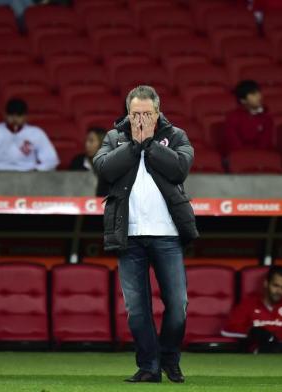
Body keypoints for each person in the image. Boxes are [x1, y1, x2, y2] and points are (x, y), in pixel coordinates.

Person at [93, 85, 198, 383]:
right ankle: (149, 366)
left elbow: (180, 169)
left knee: (178, 306)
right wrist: (133, 145)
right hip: (129, 235)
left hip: (168, 235)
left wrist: (150, 144)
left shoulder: (176, 135)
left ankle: (169, 358)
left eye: (147, 114)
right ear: (128, 112)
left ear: (158, 112)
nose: (140, 120)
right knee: (137, 310)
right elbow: (103, 169)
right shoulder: (115, 137)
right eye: (135, 114)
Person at [221, 266, 282, 353]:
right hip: (255, 352)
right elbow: (227, 329)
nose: (279, 291)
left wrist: (270, 336)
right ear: (266, 283)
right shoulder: (249, 303)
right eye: (275, 286)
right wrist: (251, 331)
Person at [0, 98, 59, 171]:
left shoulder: (36, 133)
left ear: (26, 116)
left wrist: (36, 170)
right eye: (11, 115)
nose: (15, 118)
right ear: (4, 115)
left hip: (29, 175)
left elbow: (51, 160)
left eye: (19, 115)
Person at [225, 80, 274, 153]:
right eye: (254, 94)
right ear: (243, 100)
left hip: (261, 157)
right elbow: (234, 144)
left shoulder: (266, 118)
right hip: (239, 157)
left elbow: (265, 143)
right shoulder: (232, 118)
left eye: (259, 93)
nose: (259, 96)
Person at [70, 127, 109, 197]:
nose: (87, 144)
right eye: (86, 141)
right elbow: (71, 186)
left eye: (91, 141)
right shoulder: (77, 162)